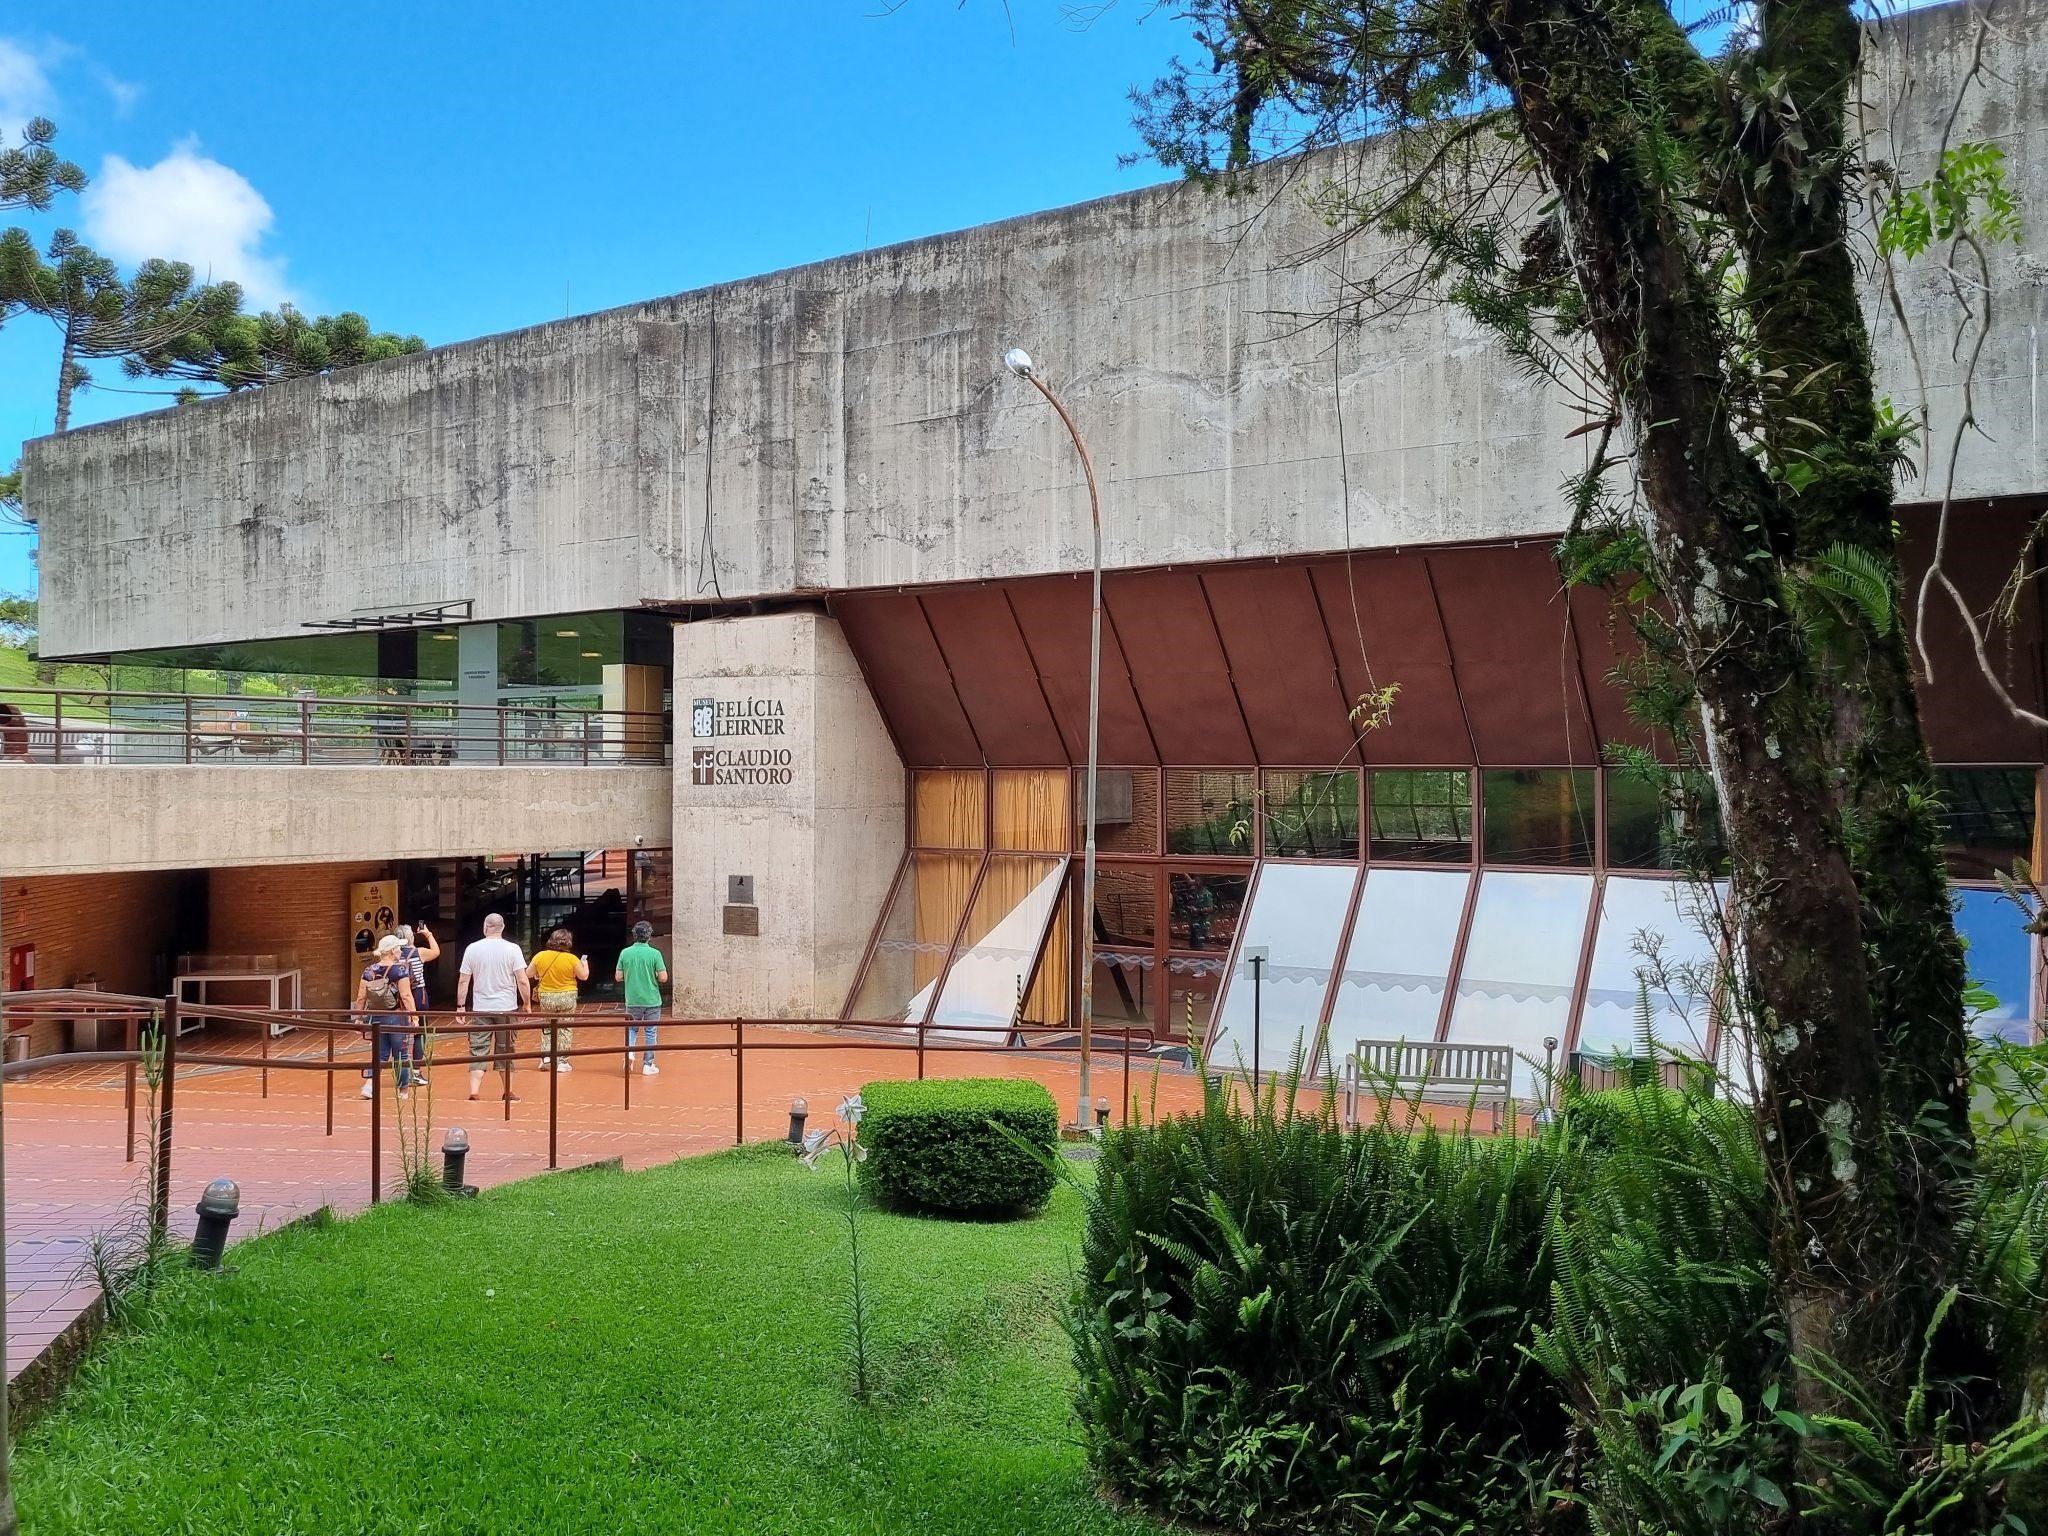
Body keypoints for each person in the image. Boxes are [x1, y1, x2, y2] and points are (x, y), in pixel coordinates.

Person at [456, 913, 529, 1101]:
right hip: (507, 1007)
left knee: (478, 1048)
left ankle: (474, 1091)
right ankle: (508, 1092)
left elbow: (464, 981)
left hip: (481, 1008)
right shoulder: (513, 949)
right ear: (502, 927)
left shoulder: (472, 949)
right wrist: (527, 1003)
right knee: (506, 1049)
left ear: (485, 926)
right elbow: (522, 980)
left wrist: (460, 1006)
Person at [354, 934, 418, 1102]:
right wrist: (415, 1016)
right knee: (401, 1055)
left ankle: (369, 1086)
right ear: (391, 951)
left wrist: (359, 1018)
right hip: (396, 1017)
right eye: (398, 948)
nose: (400, 950)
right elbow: (406, 995)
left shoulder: (369, 971)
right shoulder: (400, 969)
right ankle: (403, 1091)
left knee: (380, 1054)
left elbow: (361, 997)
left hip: (375, 1018)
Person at [528, 927, 588, 1072]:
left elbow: (528, 973)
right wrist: (585, 965)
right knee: (565, 1028)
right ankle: (561, 1061)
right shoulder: (572, 959)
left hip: (547, 996)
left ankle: (546, 1057)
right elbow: (583, 976)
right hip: (567, 995)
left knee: (547, 1027)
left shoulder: (540, 956)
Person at [615, 921, 669, 1076]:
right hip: (652, 999)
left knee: (631, 1029)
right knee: (651, 1032)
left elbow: (618, 977)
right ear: (649, 936)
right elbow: (663, 977)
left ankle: (630, 1053)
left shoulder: (625, 953)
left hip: (632, 999)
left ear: (634, 936)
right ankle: (648, 1064)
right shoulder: (655, 954)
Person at [395, 923, 442, 1073]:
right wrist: (428, 934)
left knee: (399, 1032)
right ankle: (415, 1070)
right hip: (418, 994)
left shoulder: (393, 955)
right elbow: (436, 951)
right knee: (420, 1031)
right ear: (411, 937)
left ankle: (401, 1070)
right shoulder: (419, 952)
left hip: (399, 996)